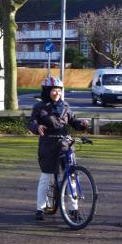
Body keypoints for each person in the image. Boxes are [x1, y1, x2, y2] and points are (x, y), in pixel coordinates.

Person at [28, 77, 89, 221]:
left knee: (72, 176)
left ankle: (73, 209)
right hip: (48, 145)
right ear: (48, 91)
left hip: (65, 144)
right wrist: (37, 127)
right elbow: (32, 122)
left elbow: (73, 121)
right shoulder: (40, 107)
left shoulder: (65, 106)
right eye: (54, 90)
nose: (57, 93)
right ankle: (40, 208)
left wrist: (82, 124)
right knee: (47, 176)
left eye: (59, 90)